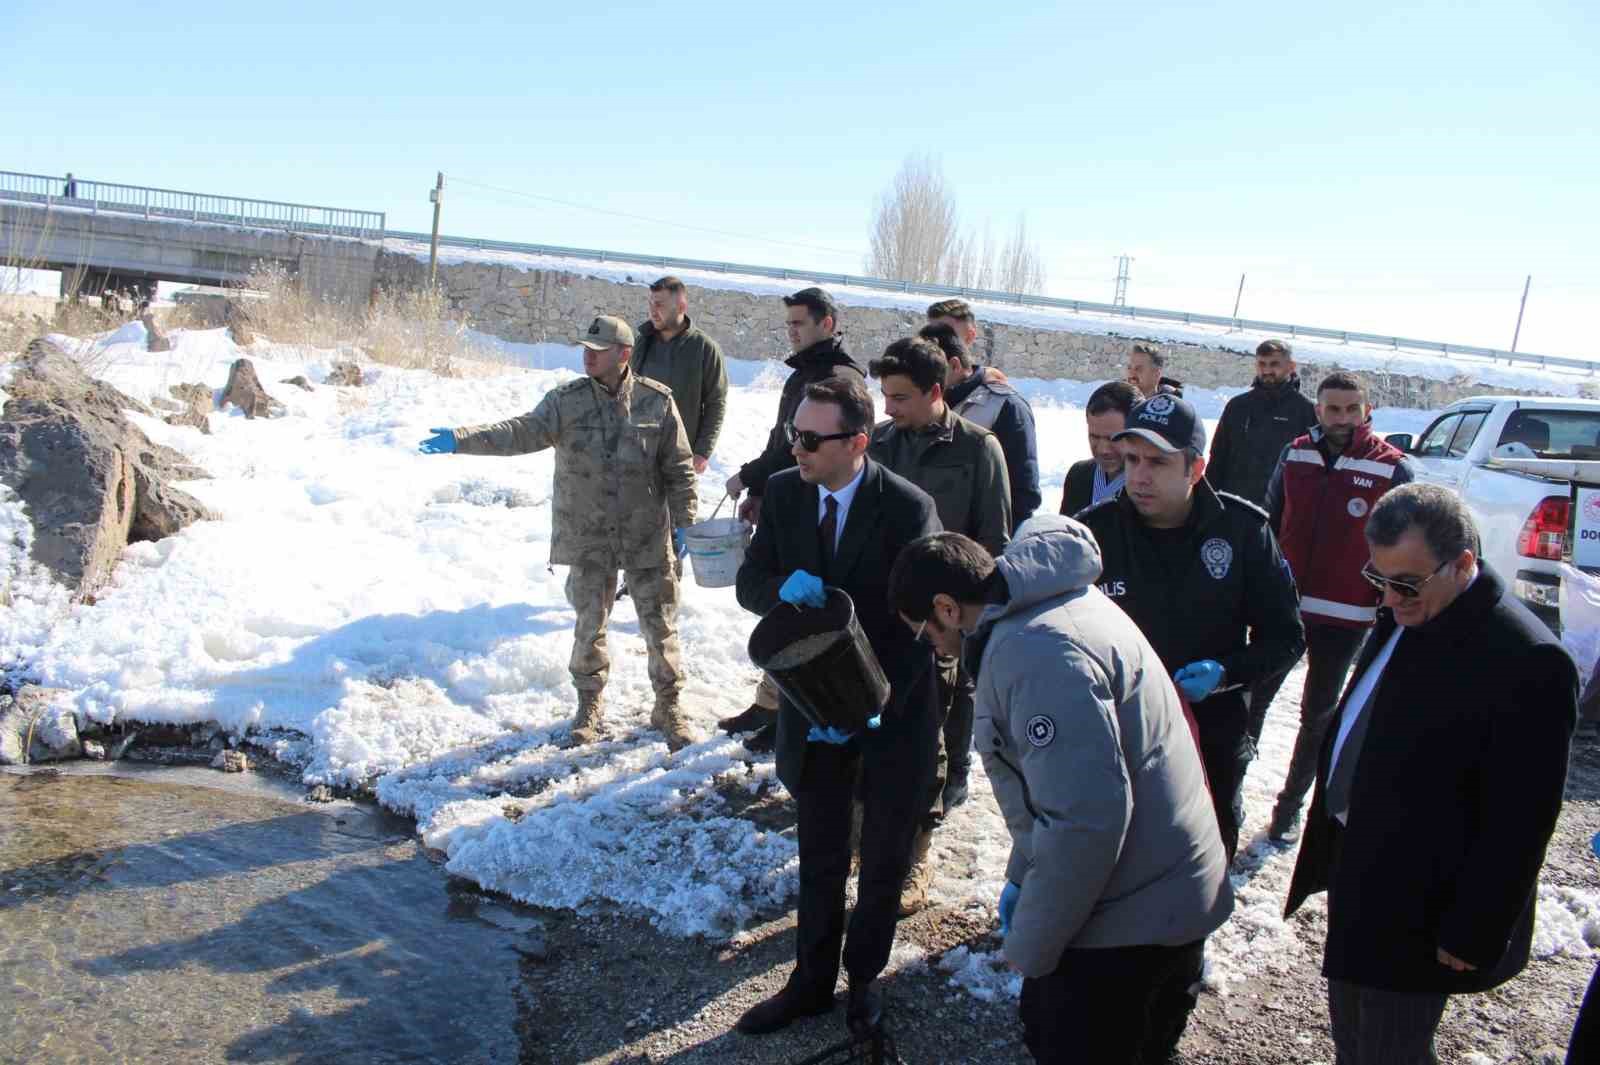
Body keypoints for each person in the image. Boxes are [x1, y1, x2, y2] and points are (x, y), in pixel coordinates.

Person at [888, 523, 1234, 1063]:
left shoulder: (1035, 655)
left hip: (1136, 922)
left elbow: (1085, 822)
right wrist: (1023, 873)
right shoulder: (1051, 605)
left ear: (947, 608)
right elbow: (1060, 788)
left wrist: (1032, 945)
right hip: (1163, 886)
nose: (931, 647)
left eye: (925, 632)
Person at [1284, 484, 1576, 1065]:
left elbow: (1521, 818)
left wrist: (1475, 927)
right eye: (1379, 579)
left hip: (1421, 904)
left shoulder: (1528, 661)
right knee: (1354, 1038)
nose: (1390, 599)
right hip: (1360, 868)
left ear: (1463, 563)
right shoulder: (1411, 608)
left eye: (1406, 583)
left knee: (1391, 1050)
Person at [733, 376, 942, 1040]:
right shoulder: (788, 493)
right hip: (812, 707)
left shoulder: (908, 508)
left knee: (882, 861)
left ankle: (864, 985)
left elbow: (924, 628)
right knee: (820, 854)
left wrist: (872, 705)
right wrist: (777, 588)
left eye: (810, 438)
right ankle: (810, 982)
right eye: (794, 432)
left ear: (858, 441)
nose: (796, 446)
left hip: (892, 711)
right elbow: (750, 580)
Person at [417, 315, 700, 750]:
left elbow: (679, 469)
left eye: (598, 349)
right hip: (589, 536)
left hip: (646, 534)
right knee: (589, 625)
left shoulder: (657, 402)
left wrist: (686, 523)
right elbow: (520, 432)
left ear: (623, 354)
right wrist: (460, 439)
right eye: (585, 348)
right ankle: (588, 704)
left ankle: (669, 703)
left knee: (660, 626)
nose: (588, 355)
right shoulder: (566, 402)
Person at [1077, 394, 1304, 863]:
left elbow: (1286, 638)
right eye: (1133, 459)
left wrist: (1225, 672)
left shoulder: (1242, 532)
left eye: (1158, 462)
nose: (1139, 475)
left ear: (1195, 469)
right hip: (1116, 736)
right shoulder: (1094, 534)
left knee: (1197, 868)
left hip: (1210, 740)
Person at [866, 336, 1011, 911]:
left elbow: (991, 545)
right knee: (876, 733)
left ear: (935, 392)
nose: (889, 408)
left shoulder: (979, 451)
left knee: (931, 742)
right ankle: (869, 833)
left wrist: (957, 622)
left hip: (941, 623)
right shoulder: (878, 443)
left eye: (900, 397)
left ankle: (916, 857)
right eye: (884, 395)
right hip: (883, 615)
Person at [1252, 372, 1414, 842]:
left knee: (1318, 716)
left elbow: (1404, 549)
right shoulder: (1295, 453)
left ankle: (1289, 808)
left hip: (1346, 615)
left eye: (1351, 408)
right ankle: (1227, 786)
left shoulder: (1392, 468)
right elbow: (1268, 520)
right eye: (1332, 409)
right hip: (1284, 608)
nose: (1341, 418)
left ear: (1367, 411)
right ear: (1318, 410)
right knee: (1252, 701)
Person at [719, 288, 865, 752]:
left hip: (817, 508)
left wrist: (752, 476)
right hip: (790, 499)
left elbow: (796, 450)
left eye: (799, 322)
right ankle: (772, 705)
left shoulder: (837, 378)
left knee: (808, 618)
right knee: (785, 605)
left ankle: (793, 712)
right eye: (789, 324)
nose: (792, 331)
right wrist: (764, 489)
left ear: (828, 323)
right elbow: (782, 440)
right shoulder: (805, 372)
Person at [924, 300, 1042, 528]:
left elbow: (1022, 494)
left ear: (969, 336)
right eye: (930, 336)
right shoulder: (919, 400)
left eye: (945, 333)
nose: (936, 344)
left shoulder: (1004, 406)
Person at [631, 276, 729, 475]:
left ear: (681, 306)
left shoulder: (704, 348)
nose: (652, 311)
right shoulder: (641, 343)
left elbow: (716, 403)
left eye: (659, 304)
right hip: (637, 454)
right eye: (650, 303)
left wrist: (702, 452)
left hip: (679, 459)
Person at [1206, 339, 1317, 507]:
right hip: (1232, 505)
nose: (1267, 370)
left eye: (1274, 364)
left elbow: (1312, 468)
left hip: (1278, 509)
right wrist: (1209, 501)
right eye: (1261, 364)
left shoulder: (1306, 411)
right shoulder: (1237, 406)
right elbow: (1218, 457)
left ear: (1291, 366)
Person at [1059, 381, 1140, 516]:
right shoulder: (1079, 475)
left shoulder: (1147, 487)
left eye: (1113, 438)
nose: (1103, 450)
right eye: (1095, 437)